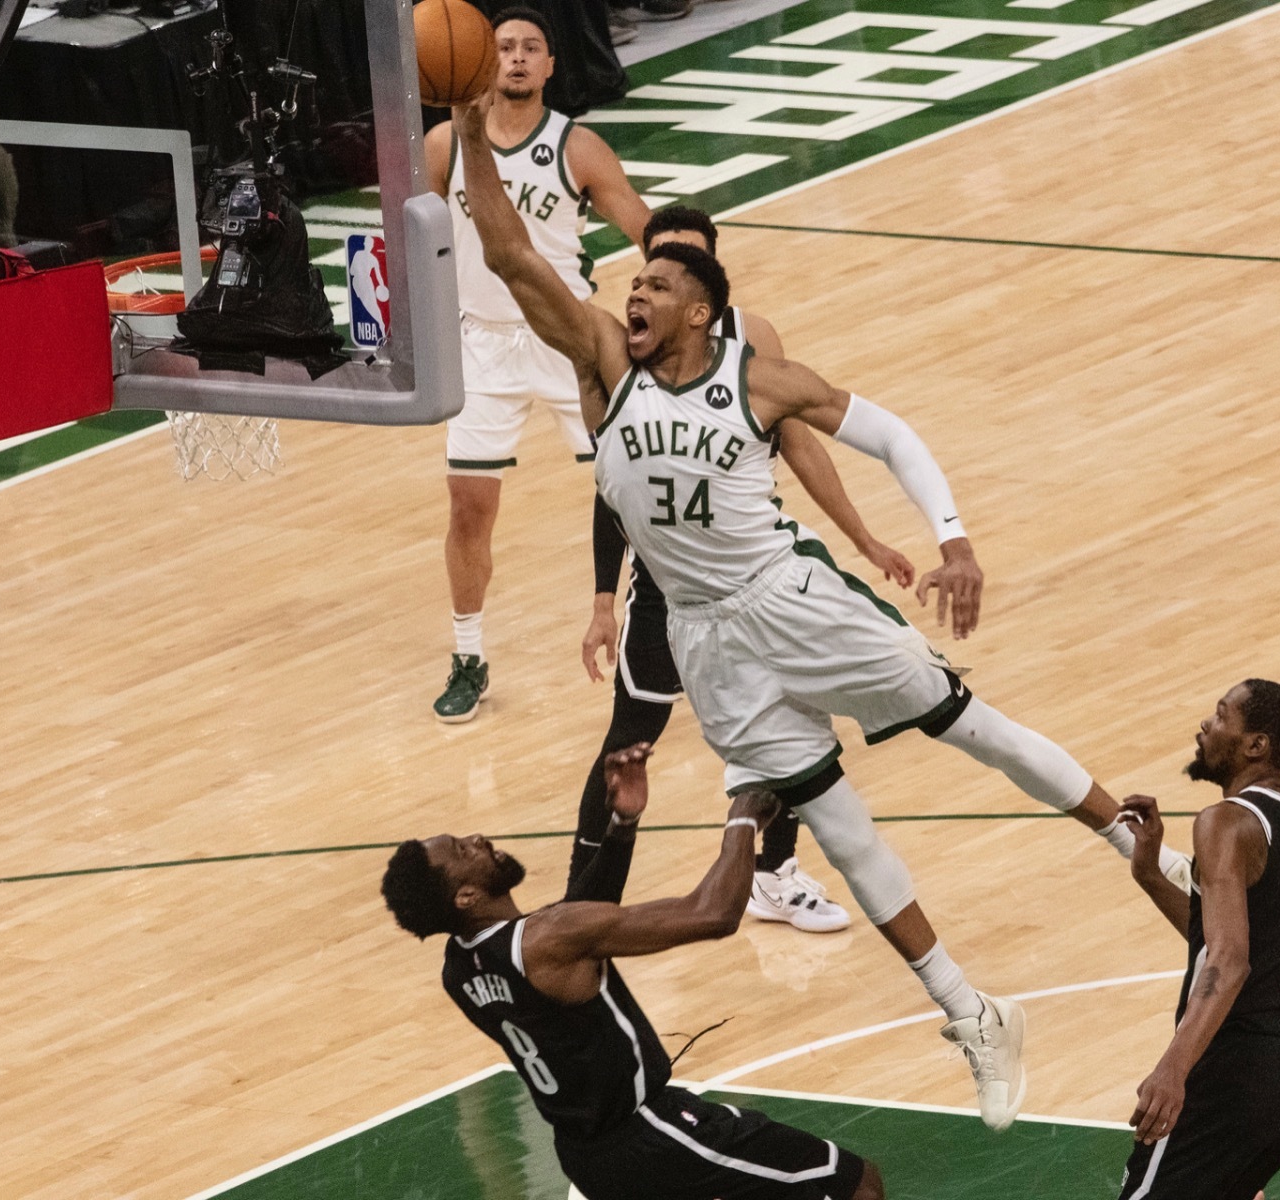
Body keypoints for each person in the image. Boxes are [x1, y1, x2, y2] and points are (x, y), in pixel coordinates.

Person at [450, 91, 1192, 1130]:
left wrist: (953, 538)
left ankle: (1134, 845)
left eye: (656, 283)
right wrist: (466, 128)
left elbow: (889, 435)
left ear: (699, 310)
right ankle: (972, 1014)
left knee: (966, 729)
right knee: (840, 832)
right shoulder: (602, 368)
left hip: (790, 600)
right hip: (706, 637)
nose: (634, 293)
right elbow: (512, 254)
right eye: (631, 280)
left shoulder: (760, 383)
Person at [571, 204, 917, 936]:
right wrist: (604, 599)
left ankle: (775, 875)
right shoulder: (628, 358)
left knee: (795, 712)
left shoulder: (750, 349)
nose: (660, 282)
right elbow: (612, 494)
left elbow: (801, 444)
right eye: (654, 266)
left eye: (684, 267)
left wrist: (863, 538)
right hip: (668, 594)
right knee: (629, 736)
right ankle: (582, 902)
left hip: (750, 577)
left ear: (710, 290)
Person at [380, 745, 886, 1200]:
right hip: (651, 1131)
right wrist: (744, 822)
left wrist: (622, 826)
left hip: (586, 1156)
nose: (477, 838)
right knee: (856, 1182)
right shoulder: (548, 938)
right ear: (465, 897)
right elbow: (712, 915)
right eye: (463, 851)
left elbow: (580, 925)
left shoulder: (460, 970)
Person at [423, 6, 650, 723]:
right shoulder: (442, 146)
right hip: (479, 343)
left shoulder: (576, 148)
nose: (517, 58)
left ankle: (661, 630)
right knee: (469, 508)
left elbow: (648, 231)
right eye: (504, 48)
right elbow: (404, 241)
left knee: (632, 492)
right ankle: (467, 655)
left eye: (531, 48)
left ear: (553, 66)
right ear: (480, 63)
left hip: (570, 340)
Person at [1116, 680, 1280, 1200]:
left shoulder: (1225, 822)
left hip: (1240, 1071)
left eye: (1220, 716)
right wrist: (1150, 873)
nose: (1205, 726)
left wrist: (1173, 1069)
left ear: (1255, 744)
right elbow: (1237, 943)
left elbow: (1231, 961)